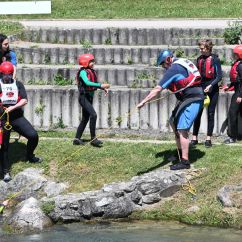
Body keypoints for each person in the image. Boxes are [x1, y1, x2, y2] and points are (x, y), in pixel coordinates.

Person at [137, 50, 204, 170]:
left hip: (193, 97)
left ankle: (185, 161)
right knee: (173, 121)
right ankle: (179, 153)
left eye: (163, 64)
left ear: (168, 60)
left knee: (182, 128)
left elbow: (158, 88)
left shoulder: (174, 68)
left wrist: (144, 101)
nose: (163, 67)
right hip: (187, 97)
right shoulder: (180, 63)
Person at [0, 61, 42, 182]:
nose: (7, 77)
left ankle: (30, 155)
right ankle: (5, 171)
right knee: (4, 145)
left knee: (33, 136)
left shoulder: (18, 84)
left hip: (16, 116)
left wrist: (12, 108)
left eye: (9, 74)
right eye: (4, 75)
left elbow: (24, 100)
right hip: (2, 118)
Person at [73, 54, 110, 147]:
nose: (93, 63)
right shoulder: (82, 72)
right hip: (83, 97)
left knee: (85, 119)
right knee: (93, 115)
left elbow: (92, 84)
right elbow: (87, 82)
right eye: (91, 61)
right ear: (86, 62)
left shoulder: (90, 71)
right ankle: (93, 139)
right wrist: (101, 85)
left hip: (89, 97)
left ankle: (76, 139)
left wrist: (103, 88)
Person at [190, 39, 222, 148]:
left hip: (212, 89)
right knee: (197, 113)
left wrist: (211, 85)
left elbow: (219, 76)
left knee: (211, 113)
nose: (200, 50)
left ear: (208, 48)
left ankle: (208, 139)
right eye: (200, 48)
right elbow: (196, 75)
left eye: (202, 48)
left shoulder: (215, 59)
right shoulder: (199, 59)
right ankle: (194, 138)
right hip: (201, 89)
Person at [223, 45, 242, 144]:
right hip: (238, 91)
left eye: (235, 54)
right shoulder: (238, 63)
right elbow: (237, 81)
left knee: (232, 113)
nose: (234, 55)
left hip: (239, 93)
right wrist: (229, 87)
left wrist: (240, 95)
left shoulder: (241, 65)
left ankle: (233, 137)